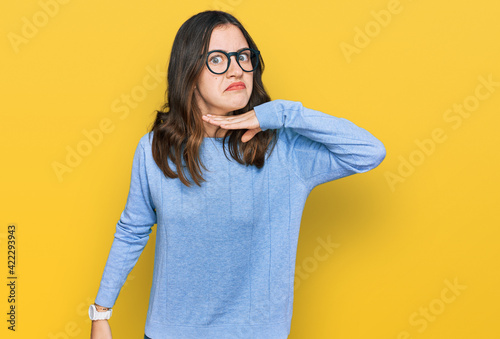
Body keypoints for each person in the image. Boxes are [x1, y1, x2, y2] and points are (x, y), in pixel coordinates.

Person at [90, 10, 386, 339]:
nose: (236, 69)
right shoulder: (155, 149)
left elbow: (368, 151)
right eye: (218, 58)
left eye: (244, 57)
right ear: (188, 71)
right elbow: (132, 230)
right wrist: (101, 313)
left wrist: (283, 113)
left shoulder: (284, 149)